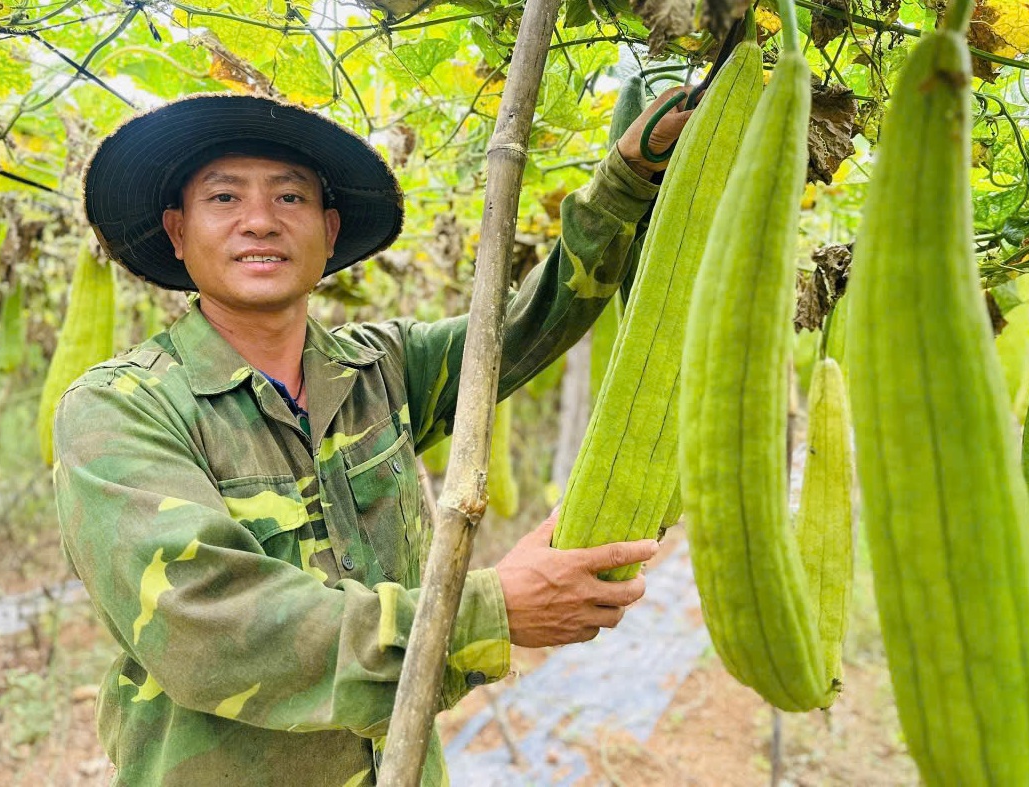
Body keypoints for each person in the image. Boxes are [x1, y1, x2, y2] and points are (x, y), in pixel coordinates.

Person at [53, 89, 692, 786]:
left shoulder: (381, 368)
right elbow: (210, 629)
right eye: (224, 197)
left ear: (329, 231)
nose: (259, 221)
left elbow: (528, 324)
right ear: (178, 232)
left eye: (290, 197)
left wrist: (626, 179)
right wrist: (491, 610)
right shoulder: (119, 409)